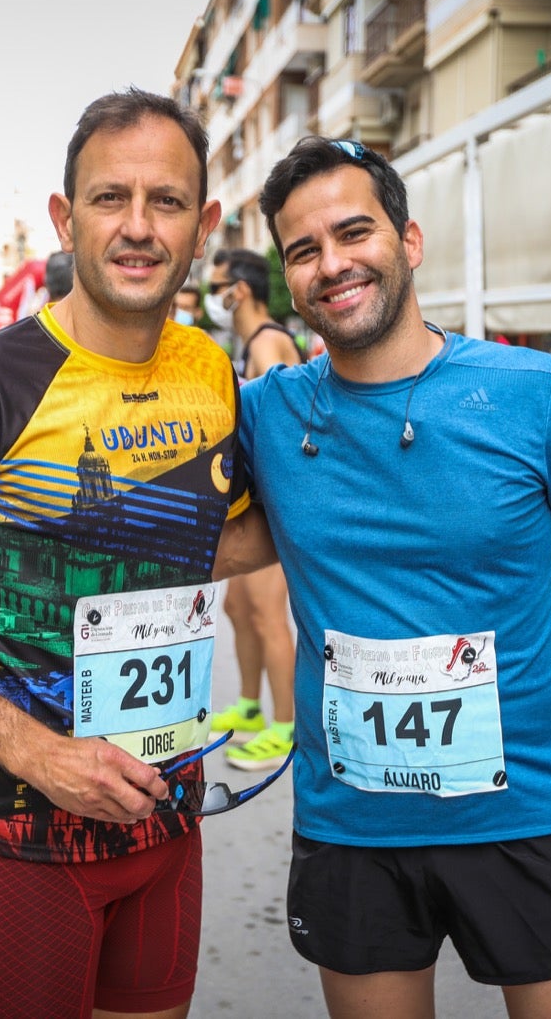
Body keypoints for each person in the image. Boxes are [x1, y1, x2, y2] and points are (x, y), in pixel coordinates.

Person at [227, 136, 551, 1018]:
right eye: (304, 250)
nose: (332, 264)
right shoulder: (266, 414)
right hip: (352, 830)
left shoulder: (539, 392)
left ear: (408, 241)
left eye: (353, 232)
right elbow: (165, 509)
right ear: (289, 278)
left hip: (530, 820)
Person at [0, 87, 242, 1019]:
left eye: (167, 201)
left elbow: (217, 537)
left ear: (204, 224)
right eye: (111, 198)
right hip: (19, 841)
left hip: (166, 824)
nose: (138, 228)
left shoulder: (211, 373)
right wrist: (42, 755)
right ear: (66, 217)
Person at [207, 247, 301, 771]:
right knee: (237, 608)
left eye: (216, 284)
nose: (212, 295)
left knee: (267, 615)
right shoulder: (253, 345)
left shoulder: (269, 344)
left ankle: (286, 730)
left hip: (276, 510)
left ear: (238, 290)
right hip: (257, 504)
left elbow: (290, 432)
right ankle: (248, 707)